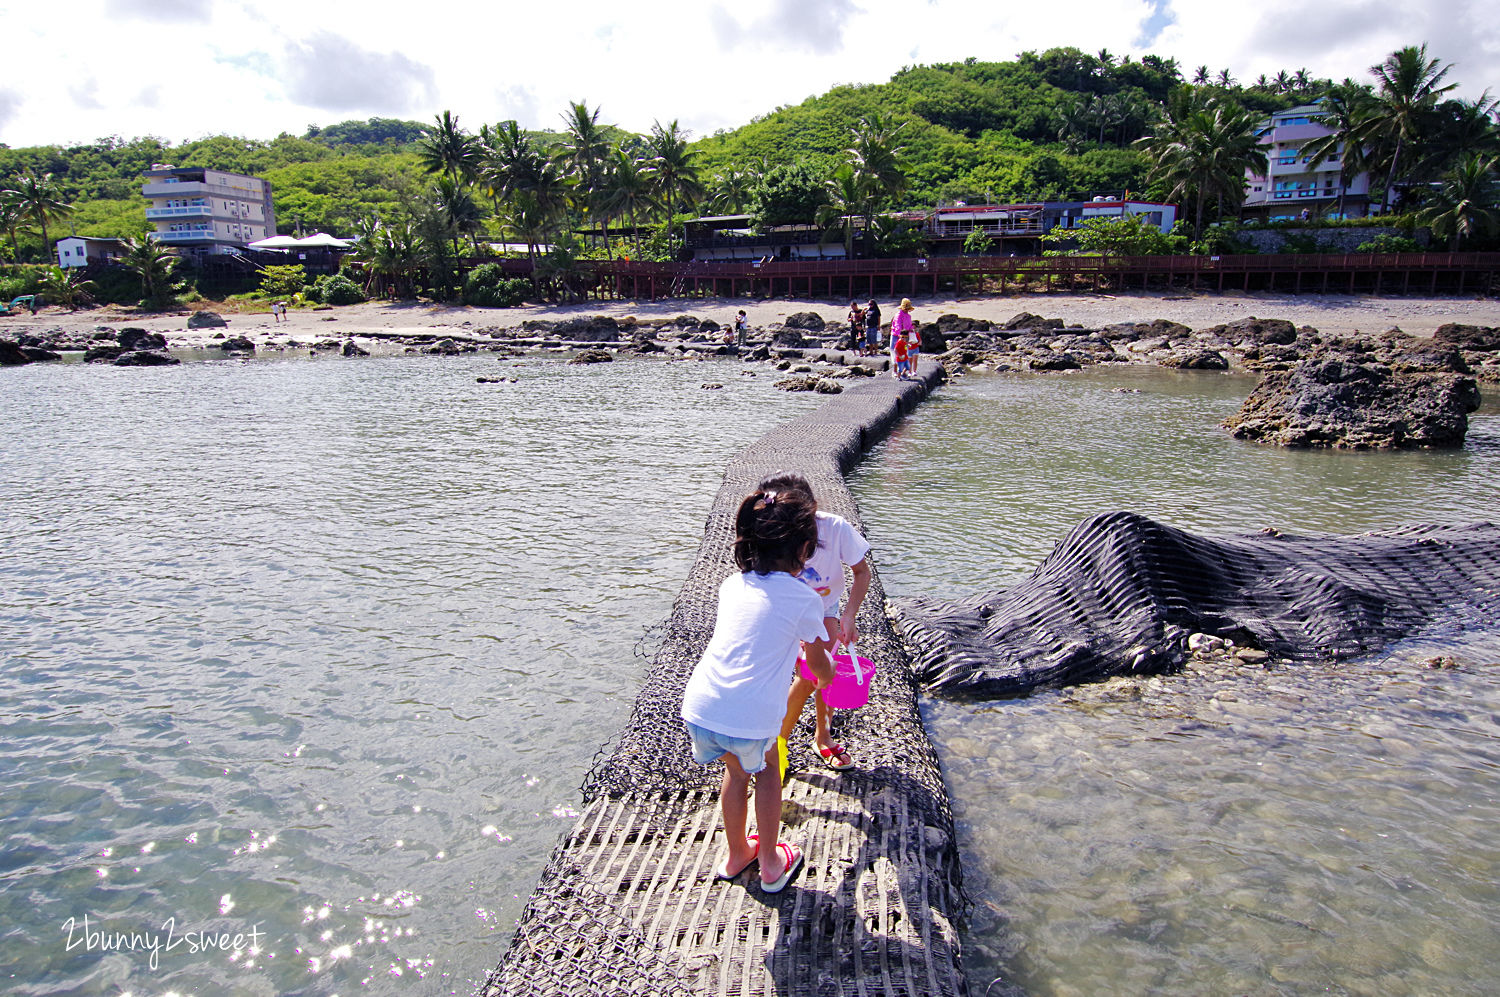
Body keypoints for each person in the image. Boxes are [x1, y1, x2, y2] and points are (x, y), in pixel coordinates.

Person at [681, 485, 833, 893]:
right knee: (766, 772)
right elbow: (818, 667)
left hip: (702, 705)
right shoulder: (805, 598)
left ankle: (736, 854)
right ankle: (769, 862)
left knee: (734, 771)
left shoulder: (733, 585)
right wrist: (831, 674)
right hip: (749, 714)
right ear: (805, 549)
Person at [765, 473, 871, 772]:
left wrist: (848, 615)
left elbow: (861, 572)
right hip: (783, 607)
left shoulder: (835, 527)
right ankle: (775, 746)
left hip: (824, 607)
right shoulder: (772, 532)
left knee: (817, 673)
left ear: (813, 508)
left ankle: (820, 736)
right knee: (794, 674)